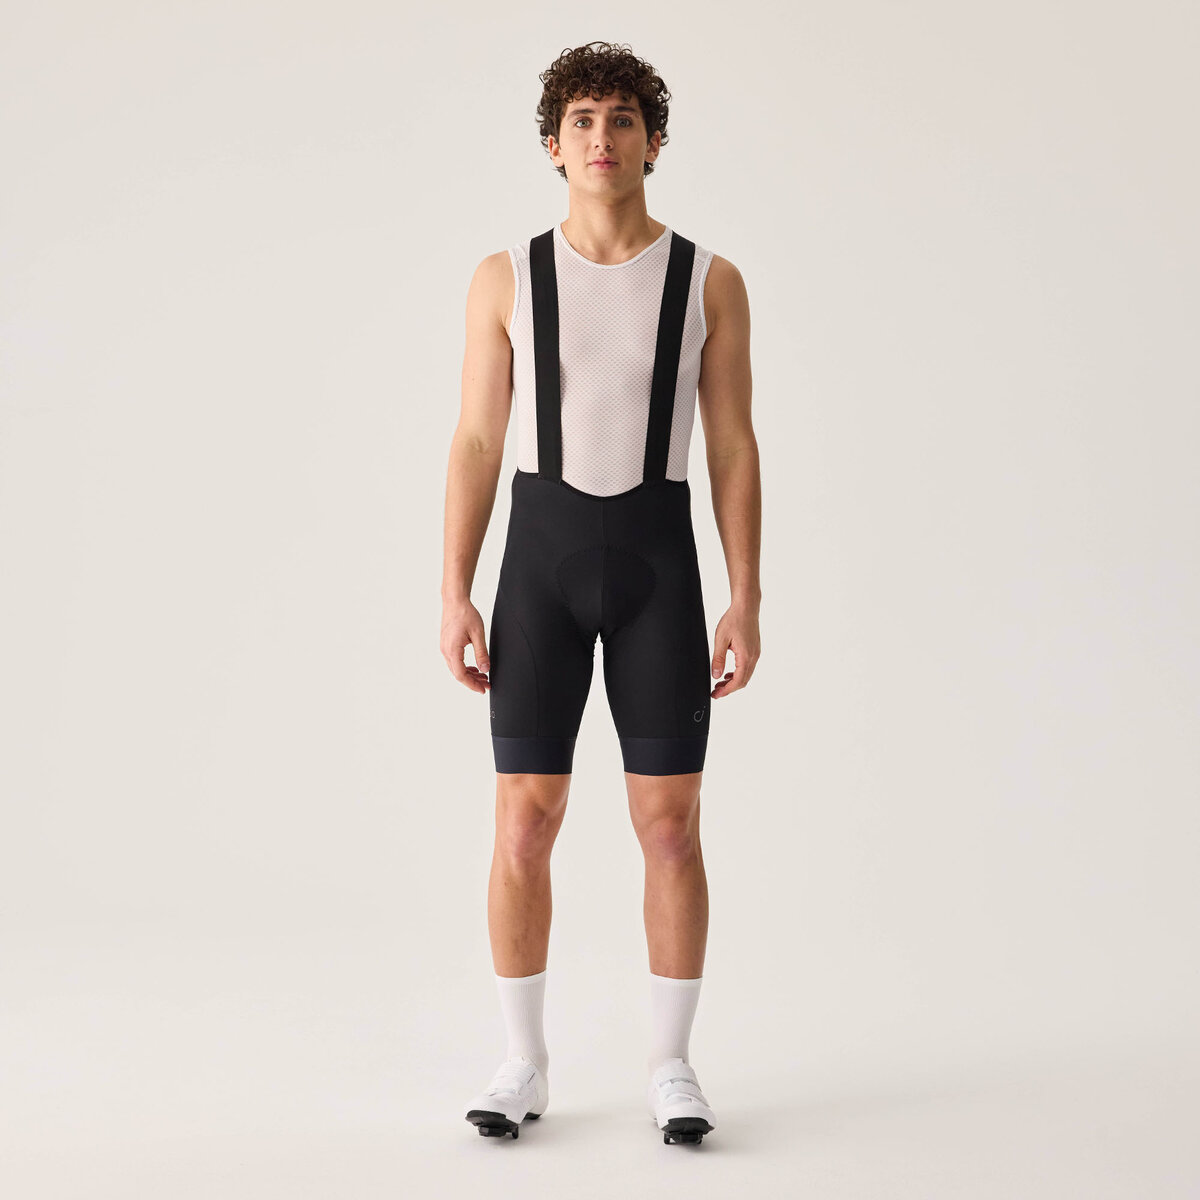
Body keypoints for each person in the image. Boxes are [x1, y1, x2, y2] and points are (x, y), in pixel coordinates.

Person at [440, 40, 761, 1145]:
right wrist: (455, 589)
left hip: (659, 568)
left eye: (622, 119)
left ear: (653, 142)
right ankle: (521, 1061)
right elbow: (477, 440)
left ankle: (672, 1065)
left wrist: (746, 595)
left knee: (668, 827)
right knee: (524, 819)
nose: (602, 138)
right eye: (581, 120)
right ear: (553, 146)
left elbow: (733, 445)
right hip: (540, 566)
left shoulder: (708, 280)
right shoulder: (506, 276)